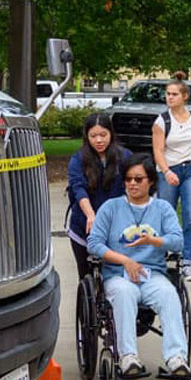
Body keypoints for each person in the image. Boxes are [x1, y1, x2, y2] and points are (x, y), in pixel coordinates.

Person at [87, 153, 191, 377]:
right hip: (118, 275)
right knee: (124, 294)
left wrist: (153, 241)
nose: (132, 184)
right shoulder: (111, 208)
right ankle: (128, 357)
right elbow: (94, 243)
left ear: (151, 181)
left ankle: (176, 358)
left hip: (152, 274)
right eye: (128, 179)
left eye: (138, 179)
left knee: (169, 295)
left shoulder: (162, 209)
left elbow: (178, 240)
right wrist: (126, 260)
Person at [152, 72, 191, 282]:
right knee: (165, 215)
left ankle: (187, 262)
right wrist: (166, 171)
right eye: (168, 94)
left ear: (185, 96)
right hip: (169, 170)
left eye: (174, 94)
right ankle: (161, 257)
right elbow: (158, 151)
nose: (169, 98)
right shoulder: (162, 121)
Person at [67, 113, 130, 279]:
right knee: (86, 276)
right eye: (93, 136)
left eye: (103, 135)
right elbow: (78, 188)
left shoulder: (124, 157)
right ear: (87, 137)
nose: (99, 140)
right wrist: (90, 215)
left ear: (111, 134)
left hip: (117, 226)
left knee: (115, 275)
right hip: (84, 227)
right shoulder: (78, 159)